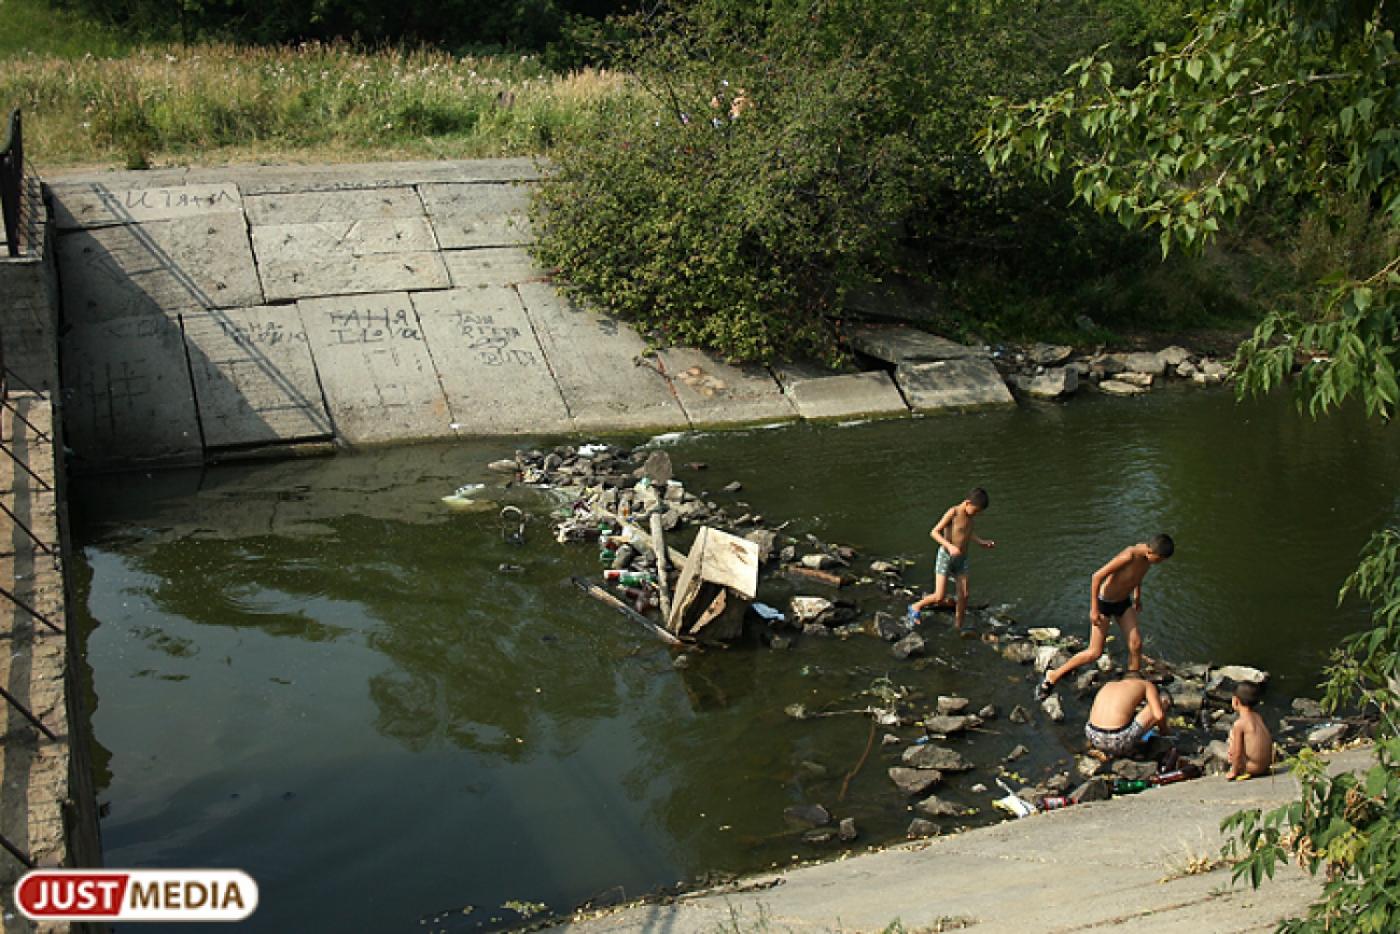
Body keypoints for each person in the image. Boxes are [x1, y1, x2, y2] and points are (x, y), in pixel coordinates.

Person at [1036, 534, 1174, 701]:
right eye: (1159, 560)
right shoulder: (1129, 555)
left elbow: (1137, 576)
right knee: (1094, 652)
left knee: (1136, 643)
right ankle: (1053, 676)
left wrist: (1137, 596)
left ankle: (1131, 684)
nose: (1158, 563)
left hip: (1123, 602)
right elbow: (1096, 577)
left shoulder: (1147, 558)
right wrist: (1094, 609)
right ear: (1150, 551)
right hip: (1104, 603)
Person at [906, 487, 995, 630]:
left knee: (964, 595)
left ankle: (958, 626)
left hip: (962, 559)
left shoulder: (970, 517)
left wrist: (981, 542)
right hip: (946, 557)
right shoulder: (953, 512)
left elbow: (968, 532)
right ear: (967, 503)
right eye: (976, 510)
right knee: (939, 596)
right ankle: (915, 606)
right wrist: (950, 546)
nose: (977, 514)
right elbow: (934, 532)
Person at [1083, 677, 1171, 759]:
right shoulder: (1146, 684)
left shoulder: (1108, 684)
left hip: (1092, 735)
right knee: (1162, 701)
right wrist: (1165, 732)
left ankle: (1095, 747)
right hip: (1118, 740)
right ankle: (1131, 748)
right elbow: (1158, 715)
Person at [1227, 682, 1274, 779]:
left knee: (1232, 737)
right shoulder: (1258, 717)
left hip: (1253, 768)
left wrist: (1234, 771)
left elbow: (1237, 753)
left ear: (1236, 701)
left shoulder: (1240, 724)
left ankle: (1237, 769)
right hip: (1266, 766)